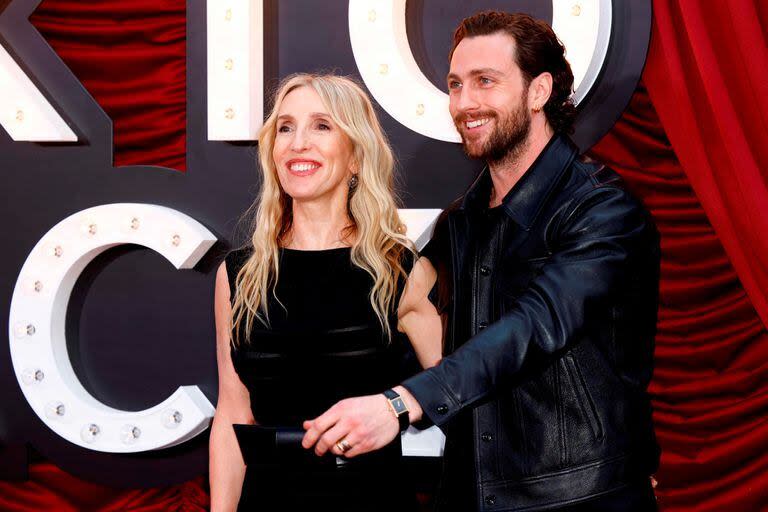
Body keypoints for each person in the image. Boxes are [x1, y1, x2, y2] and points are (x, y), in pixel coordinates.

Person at [303, 11, 660, 511]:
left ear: (539, 92)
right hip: (469, 493)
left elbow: (536, 325)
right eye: (455, 85)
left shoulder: (602, 209)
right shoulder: (461, 221)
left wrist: (400, 403)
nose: (464, 103)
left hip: (579, 498)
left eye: (485, 82)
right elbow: (397, 323)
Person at [208, 73, 442, 511]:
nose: (298, 143)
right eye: (285, 127)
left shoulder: (400, 270)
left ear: (355, 156)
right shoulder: (240, 274)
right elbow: (233, 413)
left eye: (321, 125)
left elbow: (456, 389)